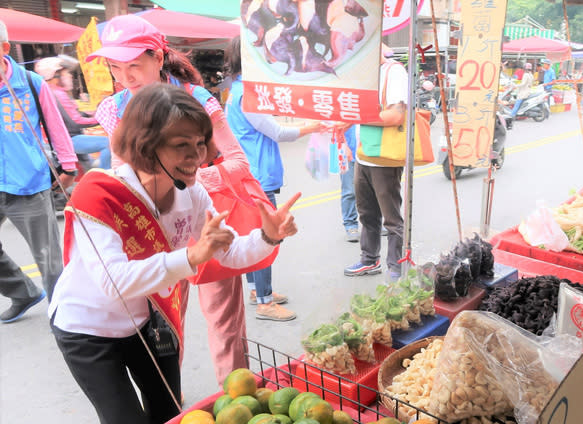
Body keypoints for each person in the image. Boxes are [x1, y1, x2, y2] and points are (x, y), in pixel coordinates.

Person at [49, 84, 299, 424]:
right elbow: (114, 282)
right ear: (147, 145)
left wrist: (267, 236)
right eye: (182, 145)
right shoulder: (98, 194)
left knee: (169, 419)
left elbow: (226, 253)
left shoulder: (192, 194)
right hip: (87, 330)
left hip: (145, 320)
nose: (197, 156)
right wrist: (191, 257)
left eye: (200, 143)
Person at [88, 15, 263, 387]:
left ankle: (238, 403)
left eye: (134, 64)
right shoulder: (113, 109)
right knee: (164, 332)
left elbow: (237, 162)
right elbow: (123, 177)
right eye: (116, 67)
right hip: (156, 235)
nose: (125, 77)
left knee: (225, 327)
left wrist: (187, 181)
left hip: (207, 221)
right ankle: (170, 414)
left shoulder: (197, 99)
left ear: (158, 56)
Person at [223, 36, 320, 321]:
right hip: (257, 178)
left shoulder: (239, 91)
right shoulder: (247, 95)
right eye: (265, 53)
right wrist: (311, 126)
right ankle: (265, 302)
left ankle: (256, 290)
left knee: (255, 233)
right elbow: (278, 132)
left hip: (250, 174)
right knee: (267, 235)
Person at [0, 19, 78, 323]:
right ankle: (22, 292)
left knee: (47, 259)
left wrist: (68, 164)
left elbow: (55, 126)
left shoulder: (30, 83)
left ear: (4, 48)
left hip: (28, 183)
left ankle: (65, 316)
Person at [344, 43, 408, 279]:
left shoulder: (394, 72)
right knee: (367, 214)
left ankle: (396, 266)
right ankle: (369, 260)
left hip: (385, 157)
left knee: (391, 218)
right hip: (364, 154)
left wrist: (356, 117)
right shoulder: (363, 75)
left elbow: (395, 115)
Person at [34, 56, 111, 170]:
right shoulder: (58, 94)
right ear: (54, 76)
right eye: (66, 73)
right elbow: (75, 121)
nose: (70, 76)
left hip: (66, 137)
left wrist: (87, 114)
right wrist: (101, 118)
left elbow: (68, 116)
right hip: (70, 139)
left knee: (89, 168)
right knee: (109, 144)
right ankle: (105, 178)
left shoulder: (54, 92)